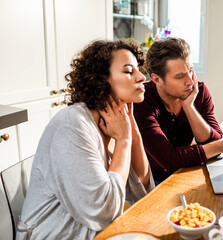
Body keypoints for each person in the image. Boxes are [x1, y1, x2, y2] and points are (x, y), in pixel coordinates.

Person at [16, 40, 155, 240]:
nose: (142, 77)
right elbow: (105, 211)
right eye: (128, 71)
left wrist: (131, 130)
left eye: (138, 70)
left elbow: (141, 188)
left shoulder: (114, 122)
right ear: (101, 80)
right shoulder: (73, 125)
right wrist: (124, 140)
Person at [133, 37, 223, 183]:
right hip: (152, 182)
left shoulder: (199, 91)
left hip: (188, 171)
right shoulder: (142, 101)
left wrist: (189, 107)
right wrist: (222, 145)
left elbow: (213, 145)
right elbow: (168, 160)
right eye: (180, 76)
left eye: (191, 71)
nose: (190, 81)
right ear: (157, 80)